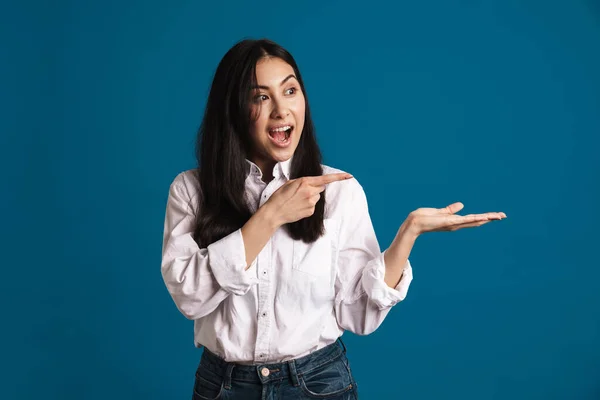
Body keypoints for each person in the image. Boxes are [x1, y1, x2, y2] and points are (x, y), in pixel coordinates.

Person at [160, 38, 506, 400]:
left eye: (290, 90)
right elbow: (189, 297)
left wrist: (409, 233)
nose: (281, 109)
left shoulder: (340, 191)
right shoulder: (191, 191)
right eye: (261, 97)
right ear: (232, 108)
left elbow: (358, 314)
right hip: (224, 387)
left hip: (317, 384)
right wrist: (270, 215)